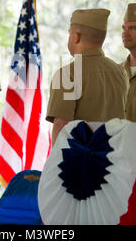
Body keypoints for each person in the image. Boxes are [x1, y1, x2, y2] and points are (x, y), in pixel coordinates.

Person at [46, 9, 129, 145]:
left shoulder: (67, 74)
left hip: (79, 161)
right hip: (113, 160)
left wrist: (54, 165)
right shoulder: (121, 72)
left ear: (76, 36)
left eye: (69, 33)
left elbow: (61, 126)